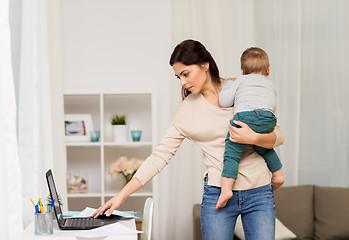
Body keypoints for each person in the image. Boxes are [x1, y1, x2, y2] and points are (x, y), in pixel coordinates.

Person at [92, 40, 284, 240]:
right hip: (218, 193)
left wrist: (254, 137)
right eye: (178, 77)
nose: (182, 82)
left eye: (186, 74)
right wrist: (121, 196)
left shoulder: (239, 88)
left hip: (259, 191)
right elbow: (160, 156)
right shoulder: (187, 111)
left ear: (205, 65)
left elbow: (278, 136)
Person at [216, 47, 285, 209]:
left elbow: (224, 101)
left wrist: (228, 85)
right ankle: (278, 174)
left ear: (242, 71)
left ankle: (226, 189)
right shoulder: (270, 85)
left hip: (245, 118)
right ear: (268, 70)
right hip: (268, 120)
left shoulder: (240, 80)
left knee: (232, 153)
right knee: (264, 148)